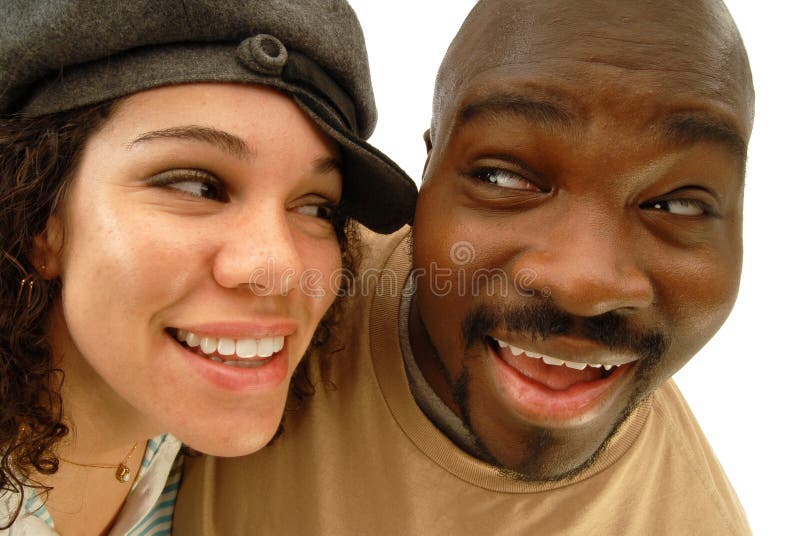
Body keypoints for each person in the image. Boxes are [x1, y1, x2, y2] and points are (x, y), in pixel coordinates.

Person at [173, 0, 754, 533]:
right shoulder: (279, 298)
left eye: (677, 204)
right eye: (504, 177)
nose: (584, 282)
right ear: (428, 175)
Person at [0, 1, 416, 534]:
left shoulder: (190, 446)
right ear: (38, 218)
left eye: (316, 207)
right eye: (196, 187)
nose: (280, 266)